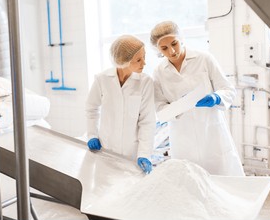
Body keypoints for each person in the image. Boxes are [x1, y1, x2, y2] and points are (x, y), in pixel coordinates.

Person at [150, 20, 245, 176]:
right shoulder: (159, 72)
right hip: (182, 134)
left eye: (174, 44)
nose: (172, 51)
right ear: (158, 49)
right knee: (190, 180)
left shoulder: (204, 59)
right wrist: (177, 109)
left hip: (211, 129)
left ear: (181, 39)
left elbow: (228, 88)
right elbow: (159, 107)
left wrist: (216, 97)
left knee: (223, 177)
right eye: (164, 48)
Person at [85, 35, 155, 174]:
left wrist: (144, 154)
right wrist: (92, 135)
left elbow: (147, 121)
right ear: (124, 61)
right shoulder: (102, 79)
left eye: (144, 57)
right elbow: (91, 108)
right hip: (105, 149)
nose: (144, 63)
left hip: (133, 153)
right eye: (139, 60)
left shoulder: (145, 82)